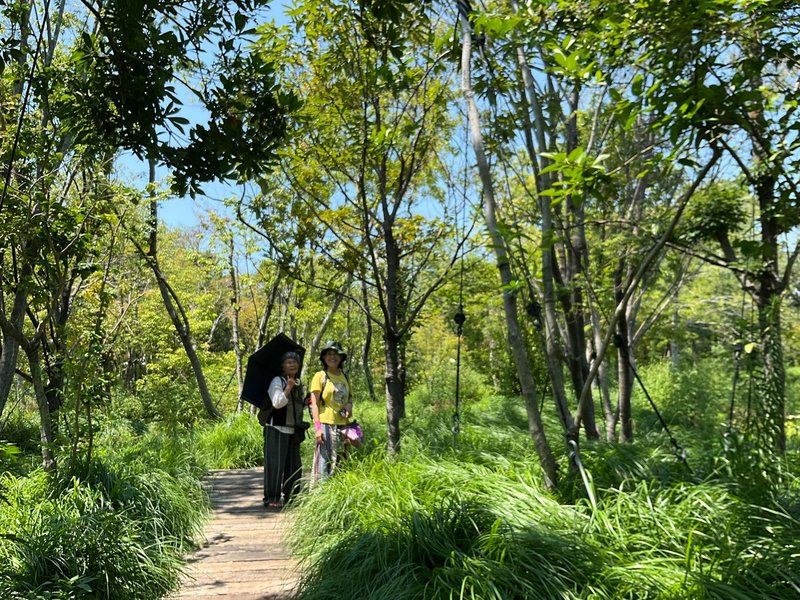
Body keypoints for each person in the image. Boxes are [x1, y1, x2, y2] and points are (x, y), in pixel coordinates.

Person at [263, 351, 306, 509]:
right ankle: (272, 497)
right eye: (288, 362)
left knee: (294, 466)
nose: (292, 364)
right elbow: (277, 403)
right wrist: (287, 387)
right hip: (276, 428)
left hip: (293, 430)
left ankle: (291, 496)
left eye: (295, 361)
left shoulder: (297, 382)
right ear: (282, 366)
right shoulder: (277, 381)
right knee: (275, 465)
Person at [309, 341, 357, 483]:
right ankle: (321, 495)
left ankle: (338, 495)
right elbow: (314, 404)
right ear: (324, 358)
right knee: (325, 462)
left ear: (341, 358)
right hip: (325, 425)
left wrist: (349, 407)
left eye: (336, 354)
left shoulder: (345, 377)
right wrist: (317, 429)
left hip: (344, 426)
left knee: (343, 461)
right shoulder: (320, 376)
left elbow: (350, 398)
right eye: (329, 354)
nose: (332, 357)